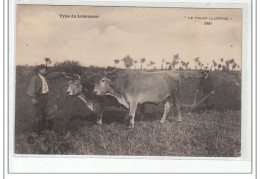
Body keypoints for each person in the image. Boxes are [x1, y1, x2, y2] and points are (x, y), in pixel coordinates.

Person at [27, 64, 64, 133]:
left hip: (46, 97)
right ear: (39, 70)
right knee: (37, 114)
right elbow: (31, 88)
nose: (46, 71)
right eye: (44, 69)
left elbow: (53, 74)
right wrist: (33, 98)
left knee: (45, 113)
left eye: (46, 69)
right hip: (39, 97)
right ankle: (34, 131)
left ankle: (44, 129)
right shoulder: (35, 78)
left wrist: (60, 73)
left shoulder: (45, 77)